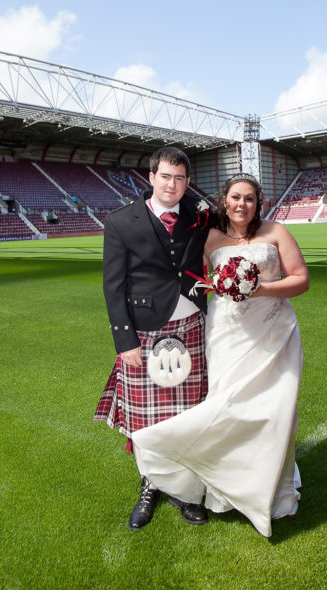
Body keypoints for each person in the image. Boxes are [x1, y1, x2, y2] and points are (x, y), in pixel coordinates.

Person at [131, 172, 309, 537]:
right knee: (227, 407)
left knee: (275, 412)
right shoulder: (208, 238)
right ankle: (219, 486)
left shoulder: (276, 233)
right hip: (226, 335)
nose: (242, 204)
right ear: (223, 201)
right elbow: (186, 275)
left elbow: (301, 279)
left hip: (275, 333)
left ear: (258, 203)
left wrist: (260, 288)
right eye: (235, 197)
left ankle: (272, 490)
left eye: (249, 198)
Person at [96, 147, 212, 530]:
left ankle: (184, 490)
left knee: (188, 416)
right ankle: (150, 484)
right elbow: (113, 286)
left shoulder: (201, 212)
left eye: (180, 178)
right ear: (151, 177)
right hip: (144, 333)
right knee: (147, 421)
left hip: (193, 325)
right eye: (166, 176)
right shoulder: (120, 221)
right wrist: (124, 341)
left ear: (187, 182)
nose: (172, 184)